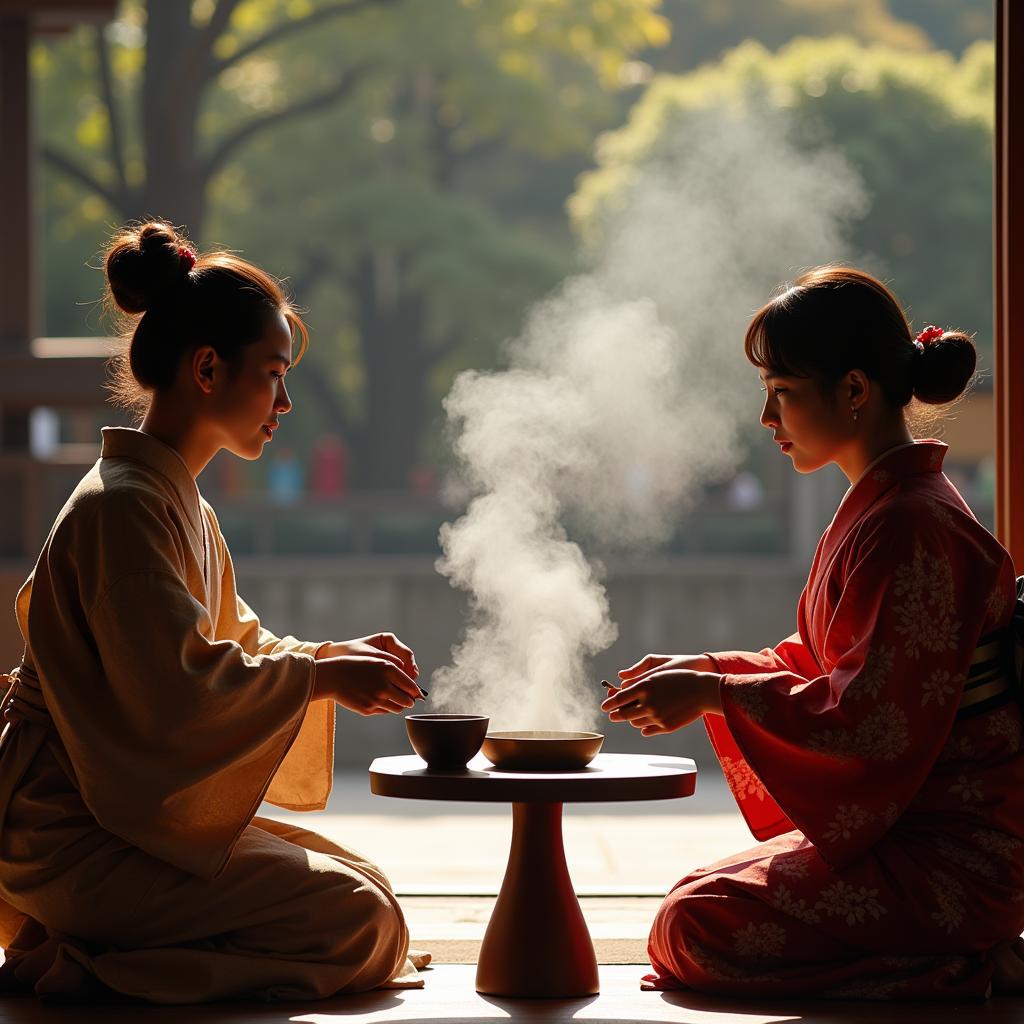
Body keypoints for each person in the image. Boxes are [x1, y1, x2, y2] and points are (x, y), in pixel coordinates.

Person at [0, 221, 430, 1003]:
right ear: (207, 368)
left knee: (366, 885)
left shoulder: (170, 499)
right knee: (359, 922)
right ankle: (83, 967)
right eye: (273, 374)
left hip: (112, 817)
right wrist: (318, 676)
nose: (286, 401)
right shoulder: (123, 508)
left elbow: (234, 643)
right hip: (73, 832)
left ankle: (95, 945)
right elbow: (178, 694)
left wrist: (328, 655)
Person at [602, 266, 1024, 1000]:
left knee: (694, 924)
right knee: (694, 895)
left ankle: (965, 962)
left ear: (854, 391)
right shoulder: (888, 506)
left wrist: (714, 693)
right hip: (919, 838)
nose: (768, 418)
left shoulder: (911, 523)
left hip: (958, 857)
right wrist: (706, 671)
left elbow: (871, 724)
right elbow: (823, 664)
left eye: (783, 392)